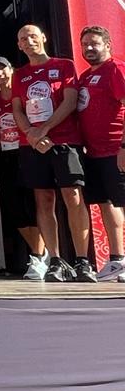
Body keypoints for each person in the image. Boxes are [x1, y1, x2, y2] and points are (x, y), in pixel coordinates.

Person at [11, 24, 94, 283]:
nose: (29, 41)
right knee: (44, 200)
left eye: (33, 36)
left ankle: (82, 260)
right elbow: (17, 110)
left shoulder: (64, 65)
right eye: (23, 39)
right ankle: (56, 261)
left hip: (64, 141)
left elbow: (70, 101)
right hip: (34, 146)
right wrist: (31, 134)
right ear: (19, 45)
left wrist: (44, 129)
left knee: (73, 197)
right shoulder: (19, 75)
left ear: (43, 38)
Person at [76, 26, 125, 280]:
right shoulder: (85, 76)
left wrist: (124, 147)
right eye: (85, 44)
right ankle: (118, 259)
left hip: (116, 149)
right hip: (94, 153)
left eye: (94, 43)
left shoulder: (116, 69)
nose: (89, 48)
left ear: (107, 44)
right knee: (107, 204)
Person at [0, 56, 44, 277]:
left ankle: (38, 256)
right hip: (5, 157)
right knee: (15, 209)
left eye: (3, 69)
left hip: (27, 152)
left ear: (12, 70)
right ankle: (40, 254)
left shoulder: (23, 94)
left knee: (33, 206)